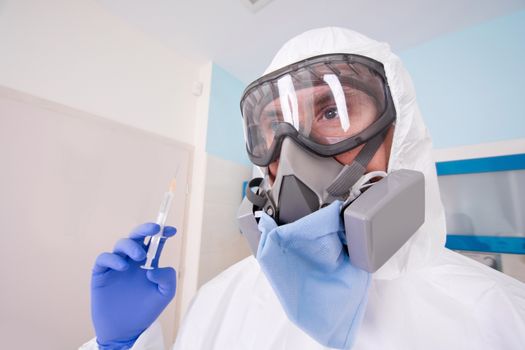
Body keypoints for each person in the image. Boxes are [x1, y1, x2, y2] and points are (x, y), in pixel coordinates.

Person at [81, 27, 525, 350]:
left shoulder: (500, 316)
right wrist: (122, 346)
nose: (291, 153)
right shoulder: (219, 300)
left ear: (399, 134)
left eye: (332, 112)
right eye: (275, 124)